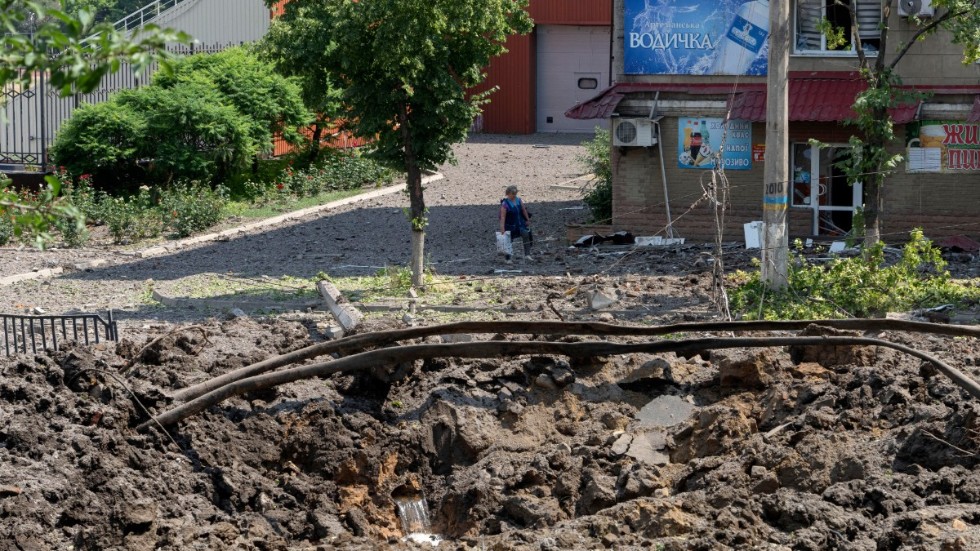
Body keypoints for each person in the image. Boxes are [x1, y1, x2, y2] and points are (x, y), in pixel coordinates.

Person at [498, 185, 533, 263]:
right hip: (510, 226)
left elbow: (524, 210)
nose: (514, 195)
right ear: (508, 194)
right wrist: (502, 228)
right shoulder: (505, 204)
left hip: (520, 224)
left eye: (515, 194)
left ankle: (527, 255)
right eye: (512, 194)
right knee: (508, 241)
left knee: (526, 235)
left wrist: (527, 219)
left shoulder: (518, 200)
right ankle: (508, 259)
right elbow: (502, 217)